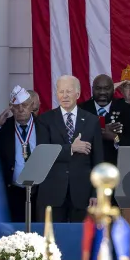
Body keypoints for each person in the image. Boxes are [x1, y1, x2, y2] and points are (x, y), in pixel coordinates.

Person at [34, 75, 104, 221]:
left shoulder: (91, 121)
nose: (64, 96)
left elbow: (98, 161)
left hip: (82, 194)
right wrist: (71, 148)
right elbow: (43, 154)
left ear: (77, 94)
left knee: (79, 239)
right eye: (61, 92)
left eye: (68, 91)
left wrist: (96, 193)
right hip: (52, 193)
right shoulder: (44, 120)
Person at [0, 85, 39, 222]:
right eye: (16, 106)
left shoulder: (43, 126)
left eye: (25, 105)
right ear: (11, 108)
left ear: (32, 106)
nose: (21, 109)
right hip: (12, 192)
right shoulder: (4, 127)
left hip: (39, 192)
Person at [79, 73, 130, 165]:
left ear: (113, 89)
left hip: (118, 167)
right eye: (98, 88)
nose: (102, 92)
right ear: (92, 89)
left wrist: (114, 137)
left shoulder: (128, 110)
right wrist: (98, 131)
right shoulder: (81, 110)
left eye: (107, 88)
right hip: (87, 167)